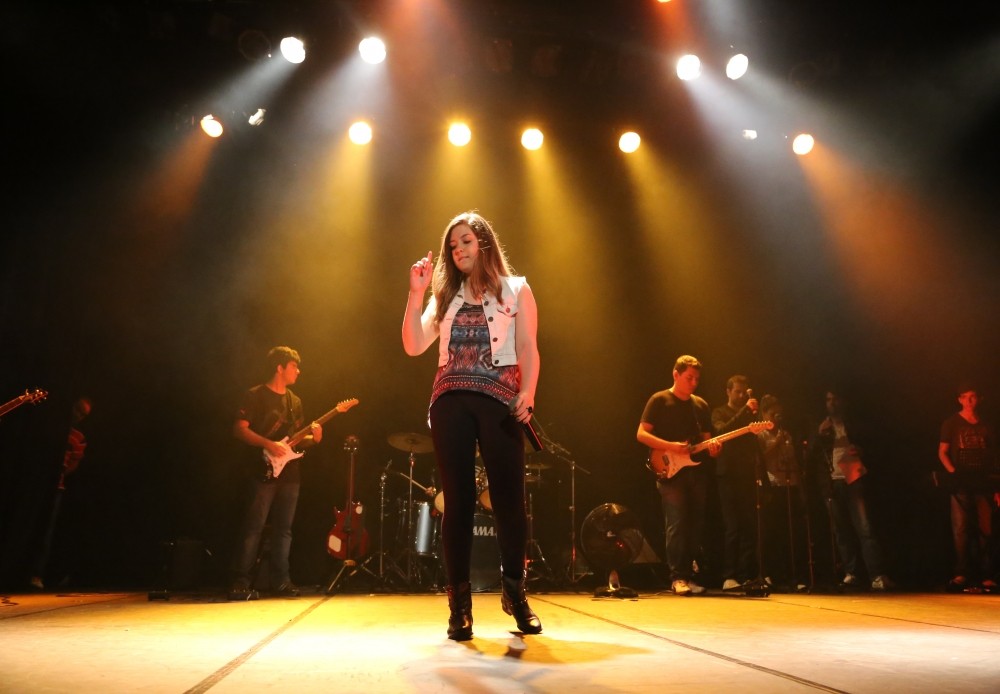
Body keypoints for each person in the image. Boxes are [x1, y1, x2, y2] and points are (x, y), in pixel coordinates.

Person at [402, 211, 541, 640]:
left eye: (464, 241)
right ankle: (459, 606)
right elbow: (413, 345)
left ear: (482, 241)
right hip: (450, 400)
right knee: (457, 502)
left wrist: (528, 392)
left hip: (499, 400)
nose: (457, 250)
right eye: (452, 246)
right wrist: (416, 293)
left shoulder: (516, 289)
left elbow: (528, 348)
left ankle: (514, 592)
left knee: (509, 502)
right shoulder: (444, 296)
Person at [229, 346, 322, 599]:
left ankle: (282, 581)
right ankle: (240, 581)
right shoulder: (255, 395)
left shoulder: (295, 402)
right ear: (279, 368)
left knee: (284, 529)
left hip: (290, 473)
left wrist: (314, 438)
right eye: (294, 366)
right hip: (261, 470)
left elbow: (295, 441)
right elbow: (239, 429)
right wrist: (268, 444)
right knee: (254, 527)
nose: (298, 371)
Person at [637, 355, 722, 596]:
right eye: (689, 378)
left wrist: (714, 450)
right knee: (676, 523)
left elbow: (707, 441)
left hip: (696, 470)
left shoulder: (701, 405)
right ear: (676, 374)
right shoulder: (660, 400)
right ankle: (677, 577)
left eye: (696, 379)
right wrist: (671, 446)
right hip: (670, 469)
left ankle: (689, 574)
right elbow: (641, 434)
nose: (693, 383)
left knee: (695, 524)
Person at [813, 389, 894, 591]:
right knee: (841, 532)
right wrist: (818, 435)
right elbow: (810, 456)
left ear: (842, 401)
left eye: (835, 399)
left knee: (865, 528)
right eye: (828, 400)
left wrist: (862, 450)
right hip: (831, 482)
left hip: (853, 478)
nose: (831, 403)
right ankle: (852, 573)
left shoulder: (853, 423)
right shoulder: (822, 426)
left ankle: (876, 574)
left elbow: (875, 445)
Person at [28, 396, 93, 590]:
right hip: (38, 482)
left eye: (83, 414)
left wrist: (61, 471)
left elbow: (74, 463)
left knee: (47, 532)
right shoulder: (51, 428)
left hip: (58, 486)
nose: (79, 416)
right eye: (78, 410)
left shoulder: (78, 436)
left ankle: (36, 574)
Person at [938, 383, 998, 592]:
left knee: (986, 527)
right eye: (965, 397)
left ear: (979, 399)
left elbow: (994, 454)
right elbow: (943, 451)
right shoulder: (952, 423)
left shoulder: (987, 425)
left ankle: (987, 574)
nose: (969, 401)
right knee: (961, 528)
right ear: (960, 400)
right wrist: (953, 472)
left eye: (973, 397)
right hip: (961, 483)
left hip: (983, 482)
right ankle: (961, 573)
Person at [712, 375, 765, 592]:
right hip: (727, 475)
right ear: (728, 392)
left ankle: (745, 575)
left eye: (744, 392)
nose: (742, 396)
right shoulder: (719, 412)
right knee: (732, 526)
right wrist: (745, 413)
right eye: (738, 392)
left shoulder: (749, 415)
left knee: (749, 525)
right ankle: (729, 575)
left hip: (746, 474)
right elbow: (722, 432)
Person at [758, 394, 810, 592]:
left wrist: (801, 488)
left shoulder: (787, 434)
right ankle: (771, 574)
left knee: (792, 533)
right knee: (773, 533)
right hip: (772, 488)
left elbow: (794, 462)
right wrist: (776, 442)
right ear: (764, 414)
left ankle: (795, 576)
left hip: (790, 486)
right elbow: (760, 459)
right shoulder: (760, 435)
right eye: (772, 414)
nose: (776, 418)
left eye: (779, 415)